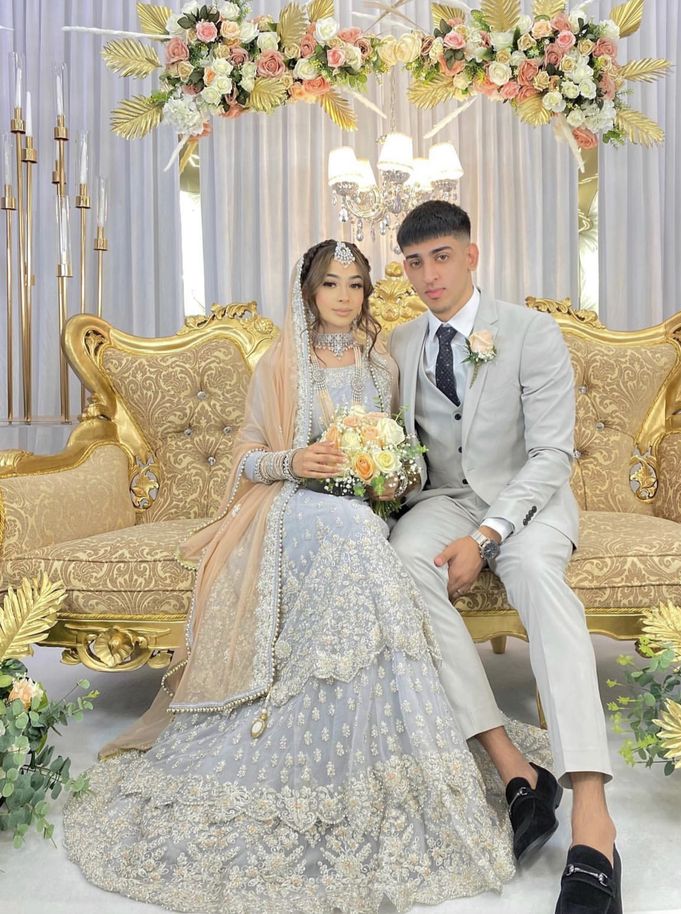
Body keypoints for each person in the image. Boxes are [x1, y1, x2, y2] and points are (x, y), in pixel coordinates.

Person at [63, 239, 551, 914]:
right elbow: (243, 460)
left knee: (368, 537)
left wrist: (390, 472)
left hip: (362, 510)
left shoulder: (380, 364)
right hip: (290, 507)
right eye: (331, 284)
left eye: (355, 284)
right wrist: (297, 461)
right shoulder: (282, 361)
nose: (345, 296)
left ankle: (404, 753)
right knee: (357, 537)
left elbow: (407, 453)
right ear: (308, 292)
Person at [389, 201, 622, 914]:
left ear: (472, 254)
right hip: (445, 499)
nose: (428, 275)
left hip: (527, 502)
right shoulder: (396, 345)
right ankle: (514, 769)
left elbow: (551, 453)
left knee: (539, 583)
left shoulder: (530, 331)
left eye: (441, 257)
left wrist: (487, 536)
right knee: (402, 567)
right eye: (413, 263)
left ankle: (592, 818)